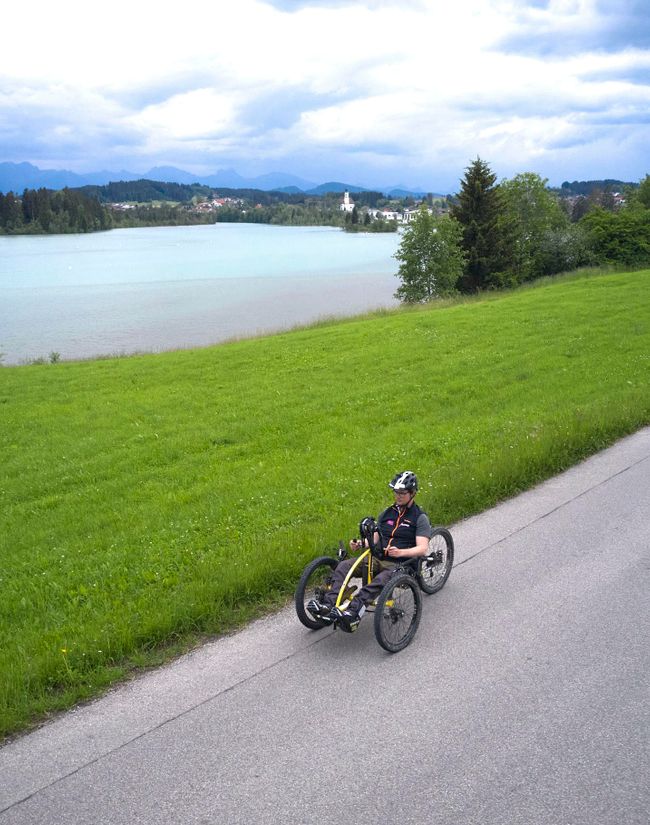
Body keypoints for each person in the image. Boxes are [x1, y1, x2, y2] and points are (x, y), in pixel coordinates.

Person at [307, 470, 432, 632]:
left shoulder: (419, 517)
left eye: (402, 493)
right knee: (343, 566)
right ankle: (328, 605)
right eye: (396, 492)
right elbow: (375, 539)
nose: (398, 496)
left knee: (377, 582)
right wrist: (360, 544)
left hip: (401, 563)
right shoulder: (387, 513)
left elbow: (422, 549)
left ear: (413, 493)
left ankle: (353, 612)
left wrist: (400, 552)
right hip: (378, 557)